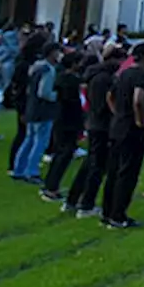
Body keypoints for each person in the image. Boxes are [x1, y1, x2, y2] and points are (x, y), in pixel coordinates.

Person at [102, 42, 144, 229]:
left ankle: (107, 211)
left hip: (118, 125)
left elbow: (110, 95)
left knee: (114, 170)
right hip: (131, 128)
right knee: (128, 173)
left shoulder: (123, 73)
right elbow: (138, 100)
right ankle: (118, 215)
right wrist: (140, 121)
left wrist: (117, 113)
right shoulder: (142, 75)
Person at [65, 46, 122, 218]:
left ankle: (73, 199)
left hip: (94, 123)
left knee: (90, 163)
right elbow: (103, 104)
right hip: (101, 125)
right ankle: (86, 204)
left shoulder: (95, 76)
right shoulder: (104, 79)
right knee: (98, 166)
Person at [11, 42, 62, 184]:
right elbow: (44, 92)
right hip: (43, 110)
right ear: (52, 53)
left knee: (29, 139)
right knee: (40, 142)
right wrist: (58, 96)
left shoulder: (35, 67)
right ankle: (32, 171)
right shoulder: (48, 70)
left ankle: (18, 169)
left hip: (32, 108)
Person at [41, 51, 86, 202]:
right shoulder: (70, 81)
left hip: (61, 119)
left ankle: (50, 185)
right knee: (64, 154)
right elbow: (72, 103)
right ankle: (51, 188)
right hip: (68, 121)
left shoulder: (61, 78)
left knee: (61, 153)